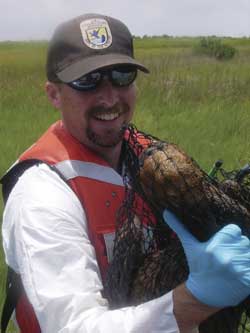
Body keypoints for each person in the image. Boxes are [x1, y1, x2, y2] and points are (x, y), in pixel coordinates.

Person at [1, 13, 250, 333]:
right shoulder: (41, 195)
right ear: (54, 93)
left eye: (122, 75)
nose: (109, 97)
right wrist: (198, 300)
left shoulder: (149, 159)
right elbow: (74, 327)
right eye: (86, 81)